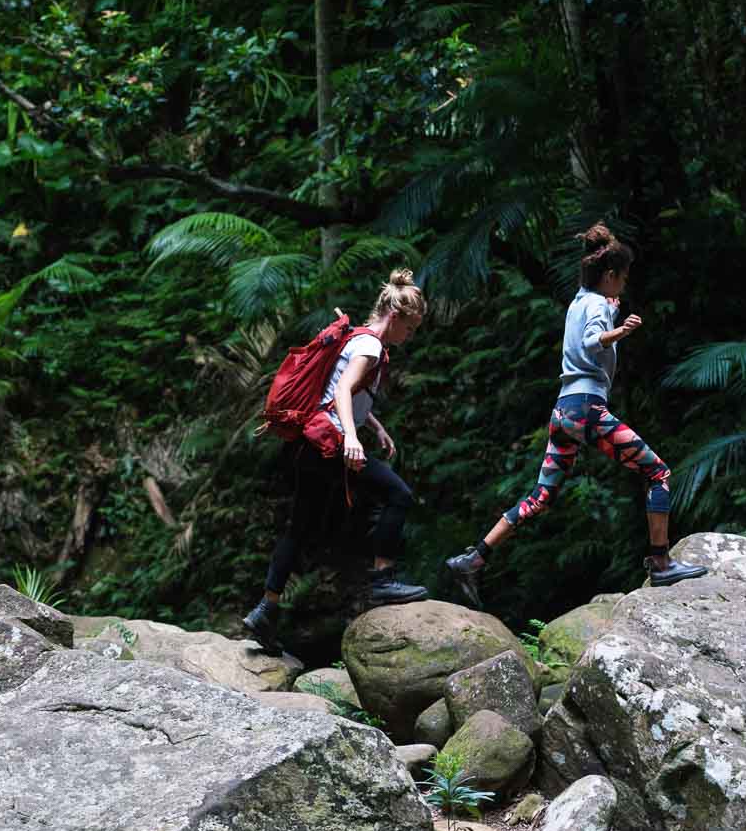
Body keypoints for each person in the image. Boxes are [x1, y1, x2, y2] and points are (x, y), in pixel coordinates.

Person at [444, 223, 708, 607]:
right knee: (658, 473)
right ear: (611, 276)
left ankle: (473, 558)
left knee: (540, 495)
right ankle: (661, 562)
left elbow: (590, 321)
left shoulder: (580, 302)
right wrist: (620, 331)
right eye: (623, 278)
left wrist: (610, 313)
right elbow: (592, 340)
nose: (624, 286)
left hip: (563, 413)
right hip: (587, 410)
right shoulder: (600, 306)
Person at [240, 269, 430, 651]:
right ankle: (383, 581)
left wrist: (373, 426)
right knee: (399, 496)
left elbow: (339, 389)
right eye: (409, 329)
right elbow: (343, 388)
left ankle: (266, 610)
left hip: (313, 443)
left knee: (300, 528)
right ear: (395, 317)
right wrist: (352, 438)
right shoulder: (371, 346)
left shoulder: (357, 337)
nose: (409, 337)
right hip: (331, 444)